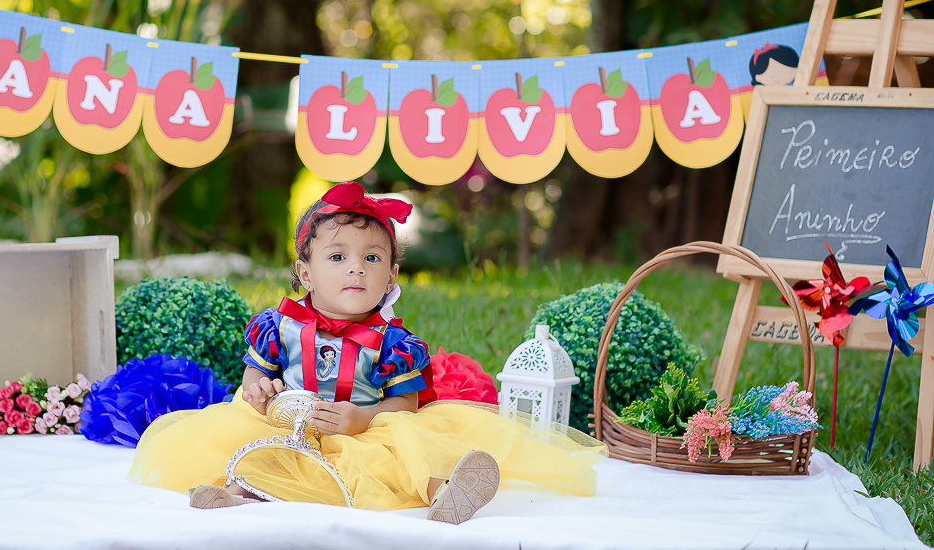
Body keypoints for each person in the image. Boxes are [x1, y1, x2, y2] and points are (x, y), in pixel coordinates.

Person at [129, 181, 607, 523]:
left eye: (372, 258)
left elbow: (408, 403)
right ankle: (236, 493)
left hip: (365, 428)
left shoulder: (393, 343)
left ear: (391, 277)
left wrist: (364, 419)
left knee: (403, 452)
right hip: (291, 424)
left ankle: (447, 493)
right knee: (250, 443)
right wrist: (261, 394)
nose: (356, 268)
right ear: (306, 273)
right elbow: (255, 377)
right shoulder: (281, 328)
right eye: (338, 257)